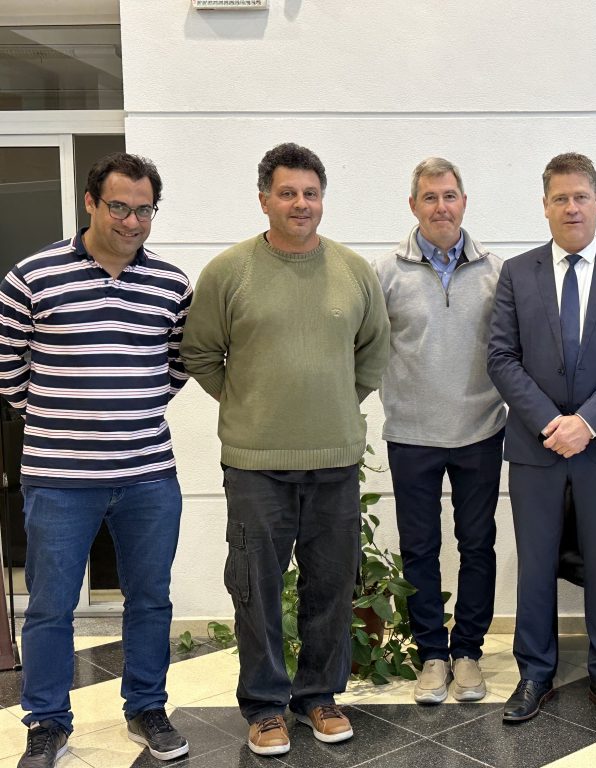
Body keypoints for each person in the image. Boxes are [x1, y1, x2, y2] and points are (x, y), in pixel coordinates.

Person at [180, 143, 390, 756]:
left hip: (334, 461)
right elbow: (200, 353)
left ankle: (319, 697)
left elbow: (372, 353)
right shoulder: (230, 272)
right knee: (256, 589)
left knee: (330, 586)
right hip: (255, 467)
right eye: (288, 192)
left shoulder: (352, 272)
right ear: (264, 198)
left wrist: (330, 404)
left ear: (322, 199)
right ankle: (267, 707)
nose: (301, 204)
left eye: (311, 193)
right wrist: (250, 403)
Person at [0, 153, 192, 768]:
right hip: (59, 479)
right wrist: (75, 413)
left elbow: (176, 367)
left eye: (144, 209)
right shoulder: (32, 277)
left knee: (150, 598)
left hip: (148, 474)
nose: (132, 221)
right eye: (119, 206)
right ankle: (48, 723)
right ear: (90, 202)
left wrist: (124, 407)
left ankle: (146, 707)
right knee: (52, 603)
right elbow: (8, 374)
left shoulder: (171, 285)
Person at [487, 152, 596, 727]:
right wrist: (549, 422)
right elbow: (502, 357)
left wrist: (588, 422)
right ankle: (535, 673)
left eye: (581, 196)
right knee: (535, 563)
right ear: (545, 206)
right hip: (536, 445)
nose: (572, 207)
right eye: (560, 198)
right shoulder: (519, 272)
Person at [374, 157, 505, 704]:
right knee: (420, 548)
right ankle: (432, 653)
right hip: (412, 433)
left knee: (477, 545)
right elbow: (365, 347)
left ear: (464, 202)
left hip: (480, 430)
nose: (441, 206)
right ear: (413, 206)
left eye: (449, 195)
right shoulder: (385, 273)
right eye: (429, 197)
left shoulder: (497, 272)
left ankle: (468, 652)